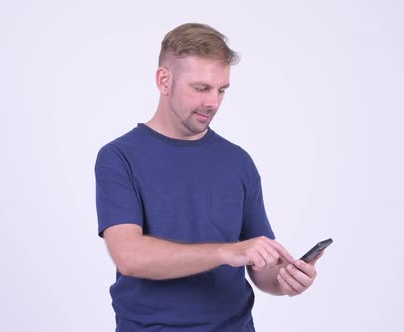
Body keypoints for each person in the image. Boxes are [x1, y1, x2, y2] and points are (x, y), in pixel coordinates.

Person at [94, 23, 324, 332]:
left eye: (221, 90)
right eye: (201, 88)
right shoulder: (119, 157)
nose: (213, 103)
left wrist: (286, 280)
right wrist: (227, 252)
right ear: (164, 80)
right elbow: (129, 256)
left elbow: (261, 269)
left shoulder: (237, 162)